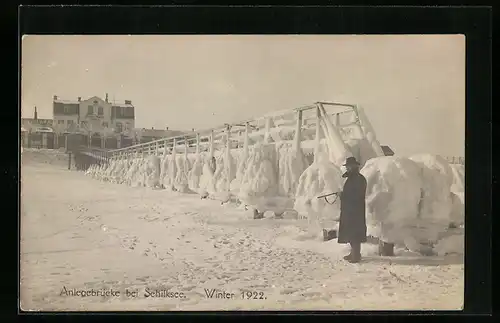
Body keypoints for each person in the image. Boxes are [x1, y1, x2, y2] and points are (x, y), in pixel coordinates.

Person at [337, 156, 367, 263]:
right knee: (350, 233)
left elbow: (357, 195)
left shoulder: (359, 179)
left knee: (355, 234)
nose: (348, 168)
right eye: (347, 166)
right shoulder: (351, 178)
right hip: (349, 210)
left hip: (355, 211)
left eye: (350, 166)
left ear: (355, 166)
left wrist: (344, 196)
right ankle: (354, 253)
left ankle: (356, 255)